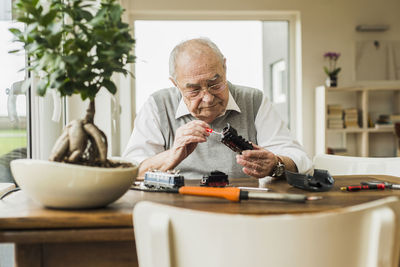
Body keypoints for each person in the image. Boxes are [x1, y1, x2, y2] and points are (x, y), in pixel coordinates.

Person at [123, 38, 312, 179]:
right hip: (179, 211)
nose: (207, 97)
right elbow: (130, 173)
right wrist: (171, 155)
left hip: (243, 210)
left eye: (215, 84)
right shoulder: (158, 105)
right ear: (175, 84)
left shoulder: (254, 100)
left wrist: (275, 164)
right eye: (194, 89)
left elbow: (301, 161)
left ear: (225, 68)